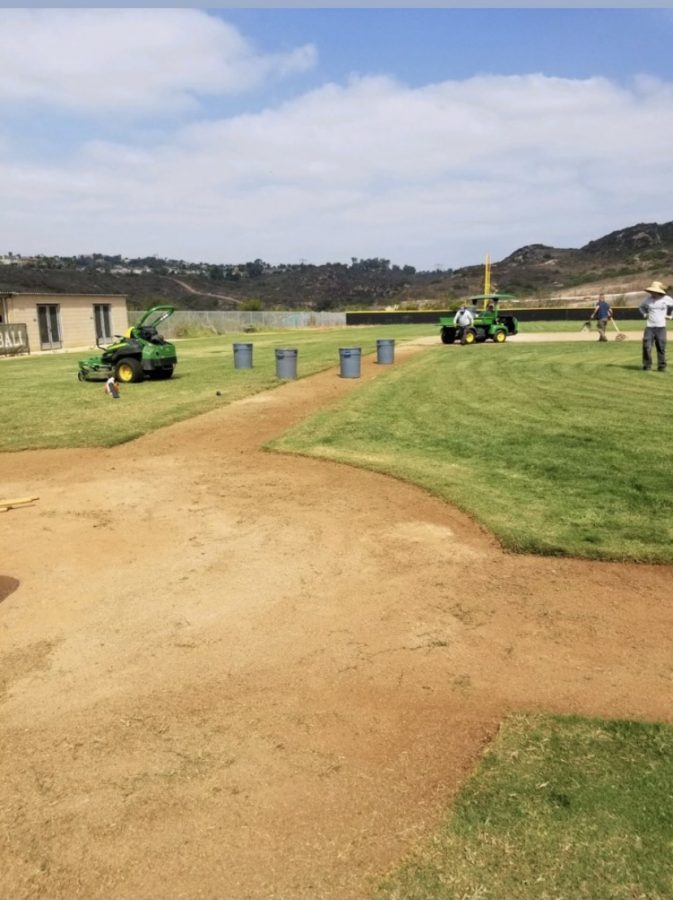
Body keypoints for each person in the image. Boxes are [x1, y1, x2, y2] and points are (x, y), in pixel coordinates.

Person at [639, 281, 673, 371]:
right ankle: (647, 366)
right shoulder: (648, 300)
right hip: (649, 326)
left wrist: (671, 315)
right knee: (646, 346)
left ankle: (661, 366)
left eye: (653, 291)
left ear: (658, 291)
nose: (651, 293)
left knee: (661, 347)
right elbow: (641, 307)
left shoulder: (667, 299)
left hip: (661, 327)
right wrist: (644, 314)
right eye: (651, 291)